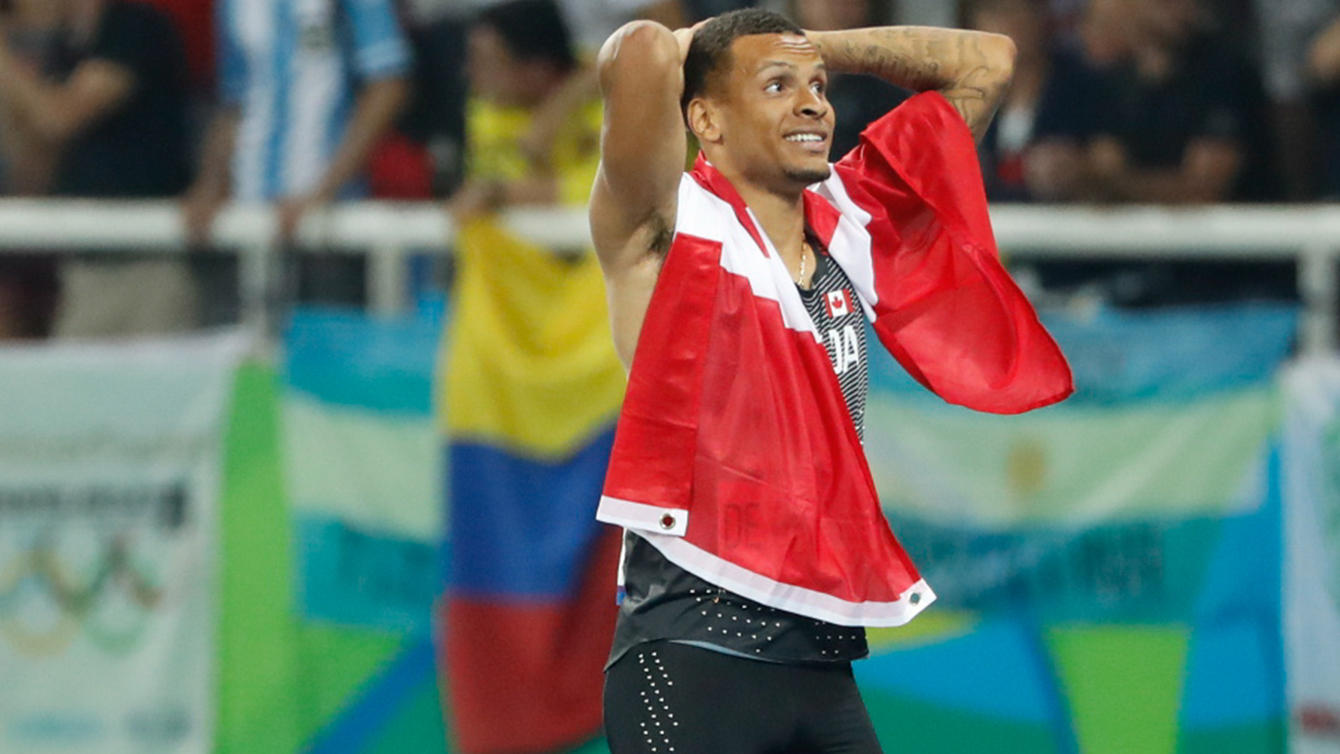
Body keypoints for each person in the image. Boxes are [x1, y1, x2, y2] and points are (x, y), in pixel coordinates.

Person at [589, 8, 1073, 752]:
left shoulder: (854, 220)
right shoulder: (669, 227)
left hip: (820, 659)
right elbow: (643, 53)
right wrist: (714, 48)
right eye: (777, 85)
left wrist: (810, 49)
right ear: (706, 120)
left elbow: (988, 61)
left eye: (818, 86)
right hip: (692, 652)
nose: (813, 101)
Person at [182, 0, 411, 308]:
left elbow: (388, 84)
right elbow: (235, 97)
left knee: (324, 347)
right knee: (245, 348)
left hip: (329, 229)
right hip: (247, 222)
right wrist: (210, 184)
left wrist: (323, 191)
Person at [0, 0, 199, 338]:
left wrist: (4, 62)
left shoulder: (134, 29)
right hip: (85, 267)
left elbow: (59, 117)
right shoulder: (68, 50)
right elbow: (32, 175)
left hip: (148, 262)